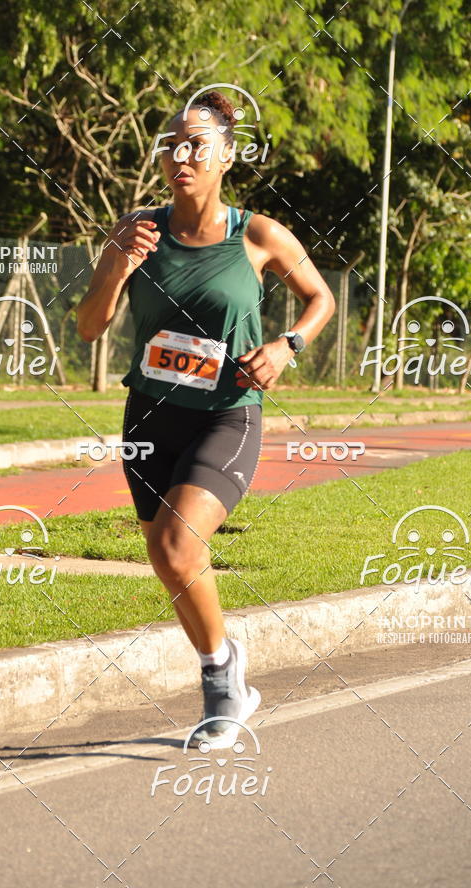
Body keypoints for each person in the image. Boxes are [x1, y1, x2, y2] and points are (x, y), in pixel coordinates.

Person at [77, 90, 335, 749]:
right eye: (172, 143)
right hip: (149, 417)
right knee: (171, 563)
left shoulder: (257, 234)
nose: (180, 154)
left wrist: (288, 346)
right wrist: (117, 264)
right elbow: (88, 327)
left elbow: (320, 298)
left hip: (227, 415)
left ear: (226, 157)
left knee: (175, 545)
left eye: (196, 144)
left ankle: (222, 683)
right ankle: (226, 666)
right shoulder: (136, 229)